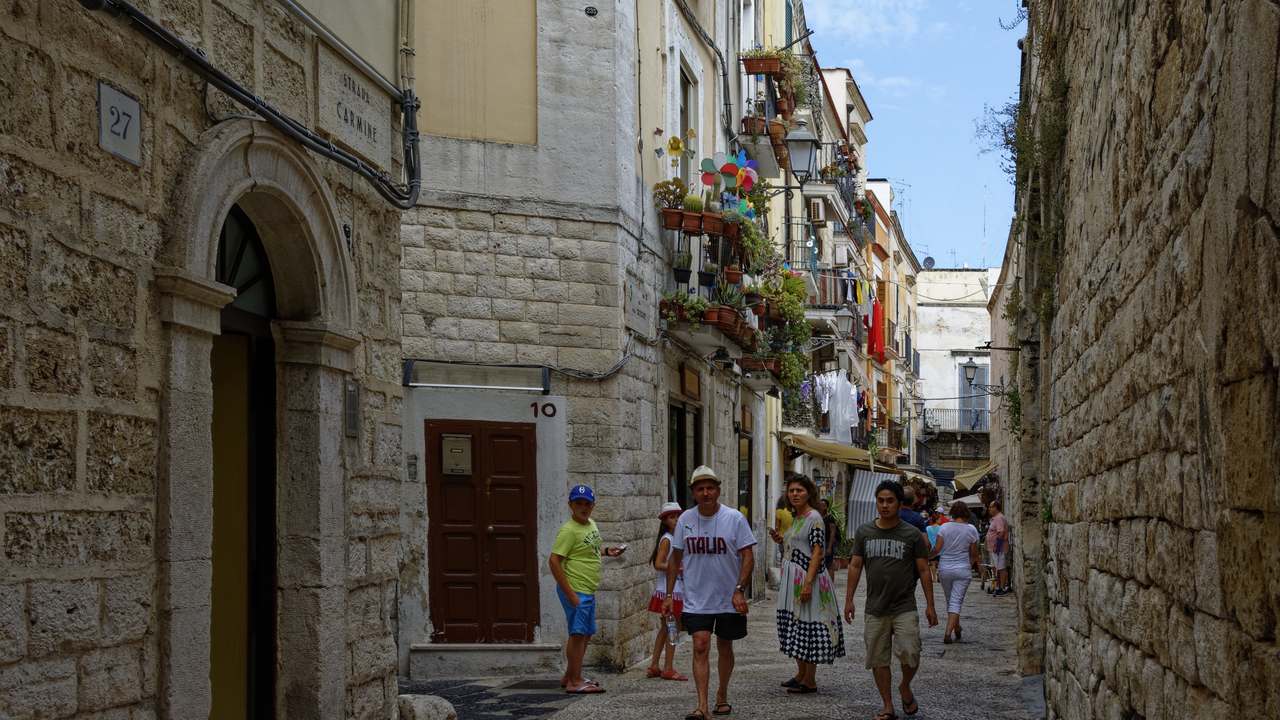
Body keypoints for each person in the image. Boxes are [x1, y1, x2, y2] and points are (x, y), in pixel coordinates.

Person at [663, 466, 757, 720]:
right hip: (696, 597)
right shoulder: (685, 520)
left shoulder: (735, 518)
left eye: (710, 488)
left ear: (718, 490)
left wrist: (740, 590)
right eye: (700, 488)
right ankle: (702, 706)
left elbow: (748, 556)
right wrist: (669, 594)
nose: (706, 493)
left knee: (725, 647)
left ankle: (722, 695)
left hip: (729, 598)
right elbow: (675, 559)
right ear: (693, 492)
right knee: (700, 646)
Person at [844, 481, 938, 720]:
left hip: (904, 605)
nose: (884, 505)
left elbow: (924, 570)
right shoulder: (864, 532)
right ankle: (887, 705)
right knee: (877, 657)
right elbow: (855, 565)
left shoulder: (911, 534)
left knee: (910, 651)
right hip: (875, 607)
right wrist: (849, 600)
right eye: (881, 501)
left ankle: (905, 686)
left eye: (890, 501)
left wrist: (930, 604)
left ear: (899, 503)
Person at [769, 474, 845, 694]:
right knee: (796, 627)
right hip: (792, 581)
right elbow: (798, 544)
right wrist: (781, 540)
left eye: (799, 490)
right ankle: (801, 674)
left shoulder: (814, 518)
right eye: (791, 490)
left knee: (808, 626)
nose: (794, 494)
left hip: (806, 579)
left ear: (809, 493)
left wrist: (808, 583)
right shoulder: (798, 517)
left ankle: (810, 680)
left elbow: (817, 552)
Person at [549, 485, 625, 694]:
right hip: (575, 589)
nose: (583, 507)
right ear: (570, 505)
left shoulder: (591, 523)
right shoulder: (568, 531)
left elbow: (588, 550)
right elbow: (554, 562)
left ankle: (570, 676)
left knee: (585, 633)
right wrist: (570, 593)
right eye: (578, 503)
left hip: (587, 590)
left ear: (593, 505)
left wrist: (607, 551)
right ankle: (574, 682)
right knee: (577, 633)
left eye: (587, 503)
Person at [647, 502, 689, 681]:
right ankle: (668, 667)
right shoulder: (667, 539)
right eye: (672, 517)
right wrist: (679, 570)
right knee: (674, 627)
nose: (676, 520)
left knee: (666, 628)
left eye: (678, 516)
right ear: (664, 521)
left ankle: (655, 666)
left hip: (675, 588)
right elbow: (658, 564)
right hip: (670, 590)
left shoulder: (676, 538)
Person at [930, 501, 981, 643]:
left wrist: (927, 557)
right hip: (962, 568)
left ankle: (956, 629)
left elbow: (936, 549)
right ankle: (948, 633)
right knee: (956, 600)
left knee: (950, 600)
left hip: (945, 568)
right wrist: (968, 565)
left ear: (952, 511)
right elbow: (974, 554)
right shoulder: (971, 529)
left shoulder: (945, 527)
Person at [986, 501, 1009, 596]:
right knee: (996, 568)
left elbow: (1001, 533)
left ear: (995, 508)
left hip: (999, 548)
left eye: (990, 507)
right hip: (994, 548)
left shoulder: (999, 518)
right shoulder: (995, 518)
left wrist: (996, 545)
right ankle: (998, 587)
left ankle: (1002, 588)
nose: (989, 509)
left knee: (1001, 567)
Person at [817, 498, 839, 581]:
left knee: (829, 565)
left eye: (824, 506)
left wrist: (829, 547)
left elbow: (832, 533)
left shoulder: (830, 518)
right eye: (821, 505)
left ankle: (830, 585)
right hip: (819, 543)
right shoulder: (817, 517)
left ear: (828, 507)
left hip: (827, 543)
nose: (823, 507)